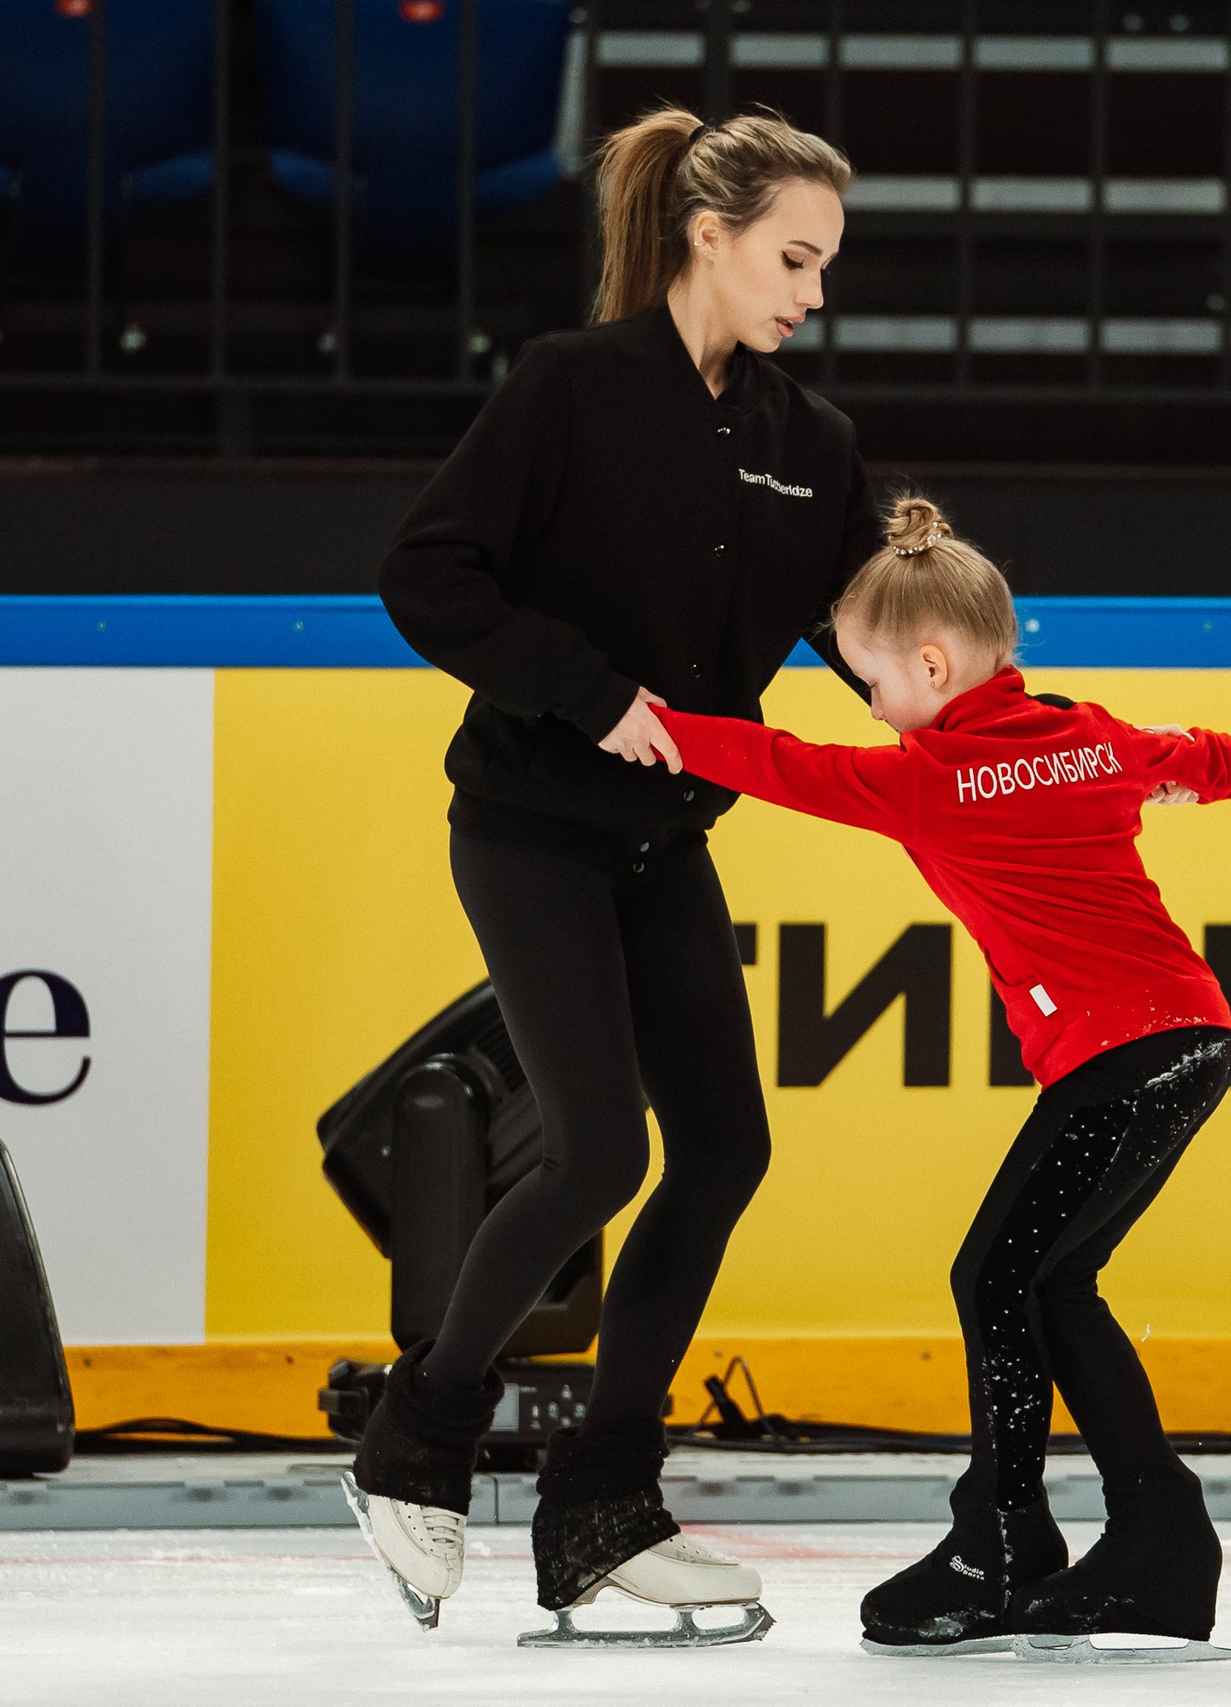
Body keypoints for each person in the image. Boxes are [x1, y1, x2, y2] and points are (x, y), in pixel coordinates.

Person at [647, 496, 1231, 1662]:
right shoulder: (1093, 734)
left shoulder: (922, 779)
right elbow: (1211, 758)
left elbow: (777, 763)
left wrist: (647, 724)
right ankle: (1141, 1540)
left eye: (872, 684)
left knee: (1000, 1280)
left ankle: (1011, 1540)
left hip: (1119, 1060)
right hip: (1182, 1040)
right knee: (1040, 1284)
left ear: (929, 666)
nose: (873, 710)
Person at [350, 103, 880, 1647]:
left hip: (664, 840)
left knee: (723, 1150)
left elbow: (871, 632)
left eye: (826, 265)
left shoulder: (810, 444)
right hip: (528, 823)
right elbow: (427, 574)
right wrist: (595, 696)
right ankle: (416, 1439)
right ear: (706, 237)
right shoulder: (568, 389)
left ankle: (600, 1503)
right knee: (597, 1153)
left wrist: (999, 736)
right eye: (793, 256)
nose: (810, 292)